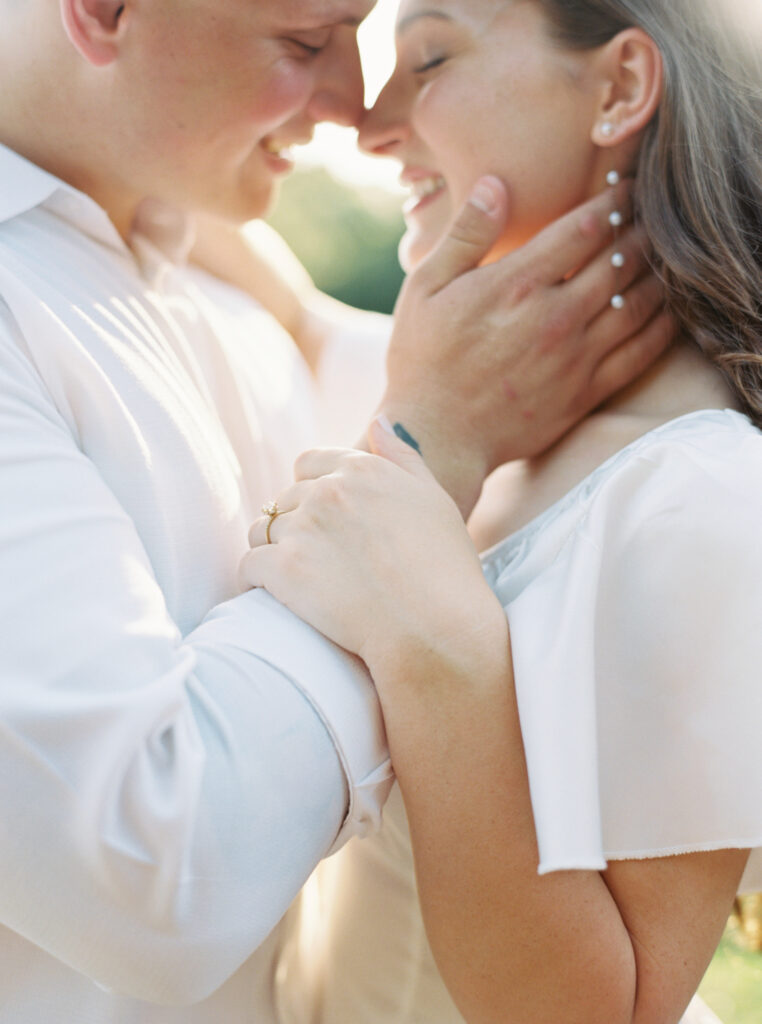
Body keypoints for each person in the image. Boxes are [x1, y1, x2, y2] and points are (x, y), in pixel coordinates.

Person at [0, 0, 672, 1020]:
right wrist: (423, 454)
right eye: (307, 42)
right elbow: (152, 869)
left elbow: (377, 371)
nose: (354, 107)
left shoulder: (198, 277)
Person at [241, 1, 762, 1022]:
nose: (370, 119)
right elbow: (286, 311)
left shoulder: (700, 495)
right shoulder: (525, 426)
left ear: (617, 89)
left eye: (428, 57)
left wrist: (446, 657)